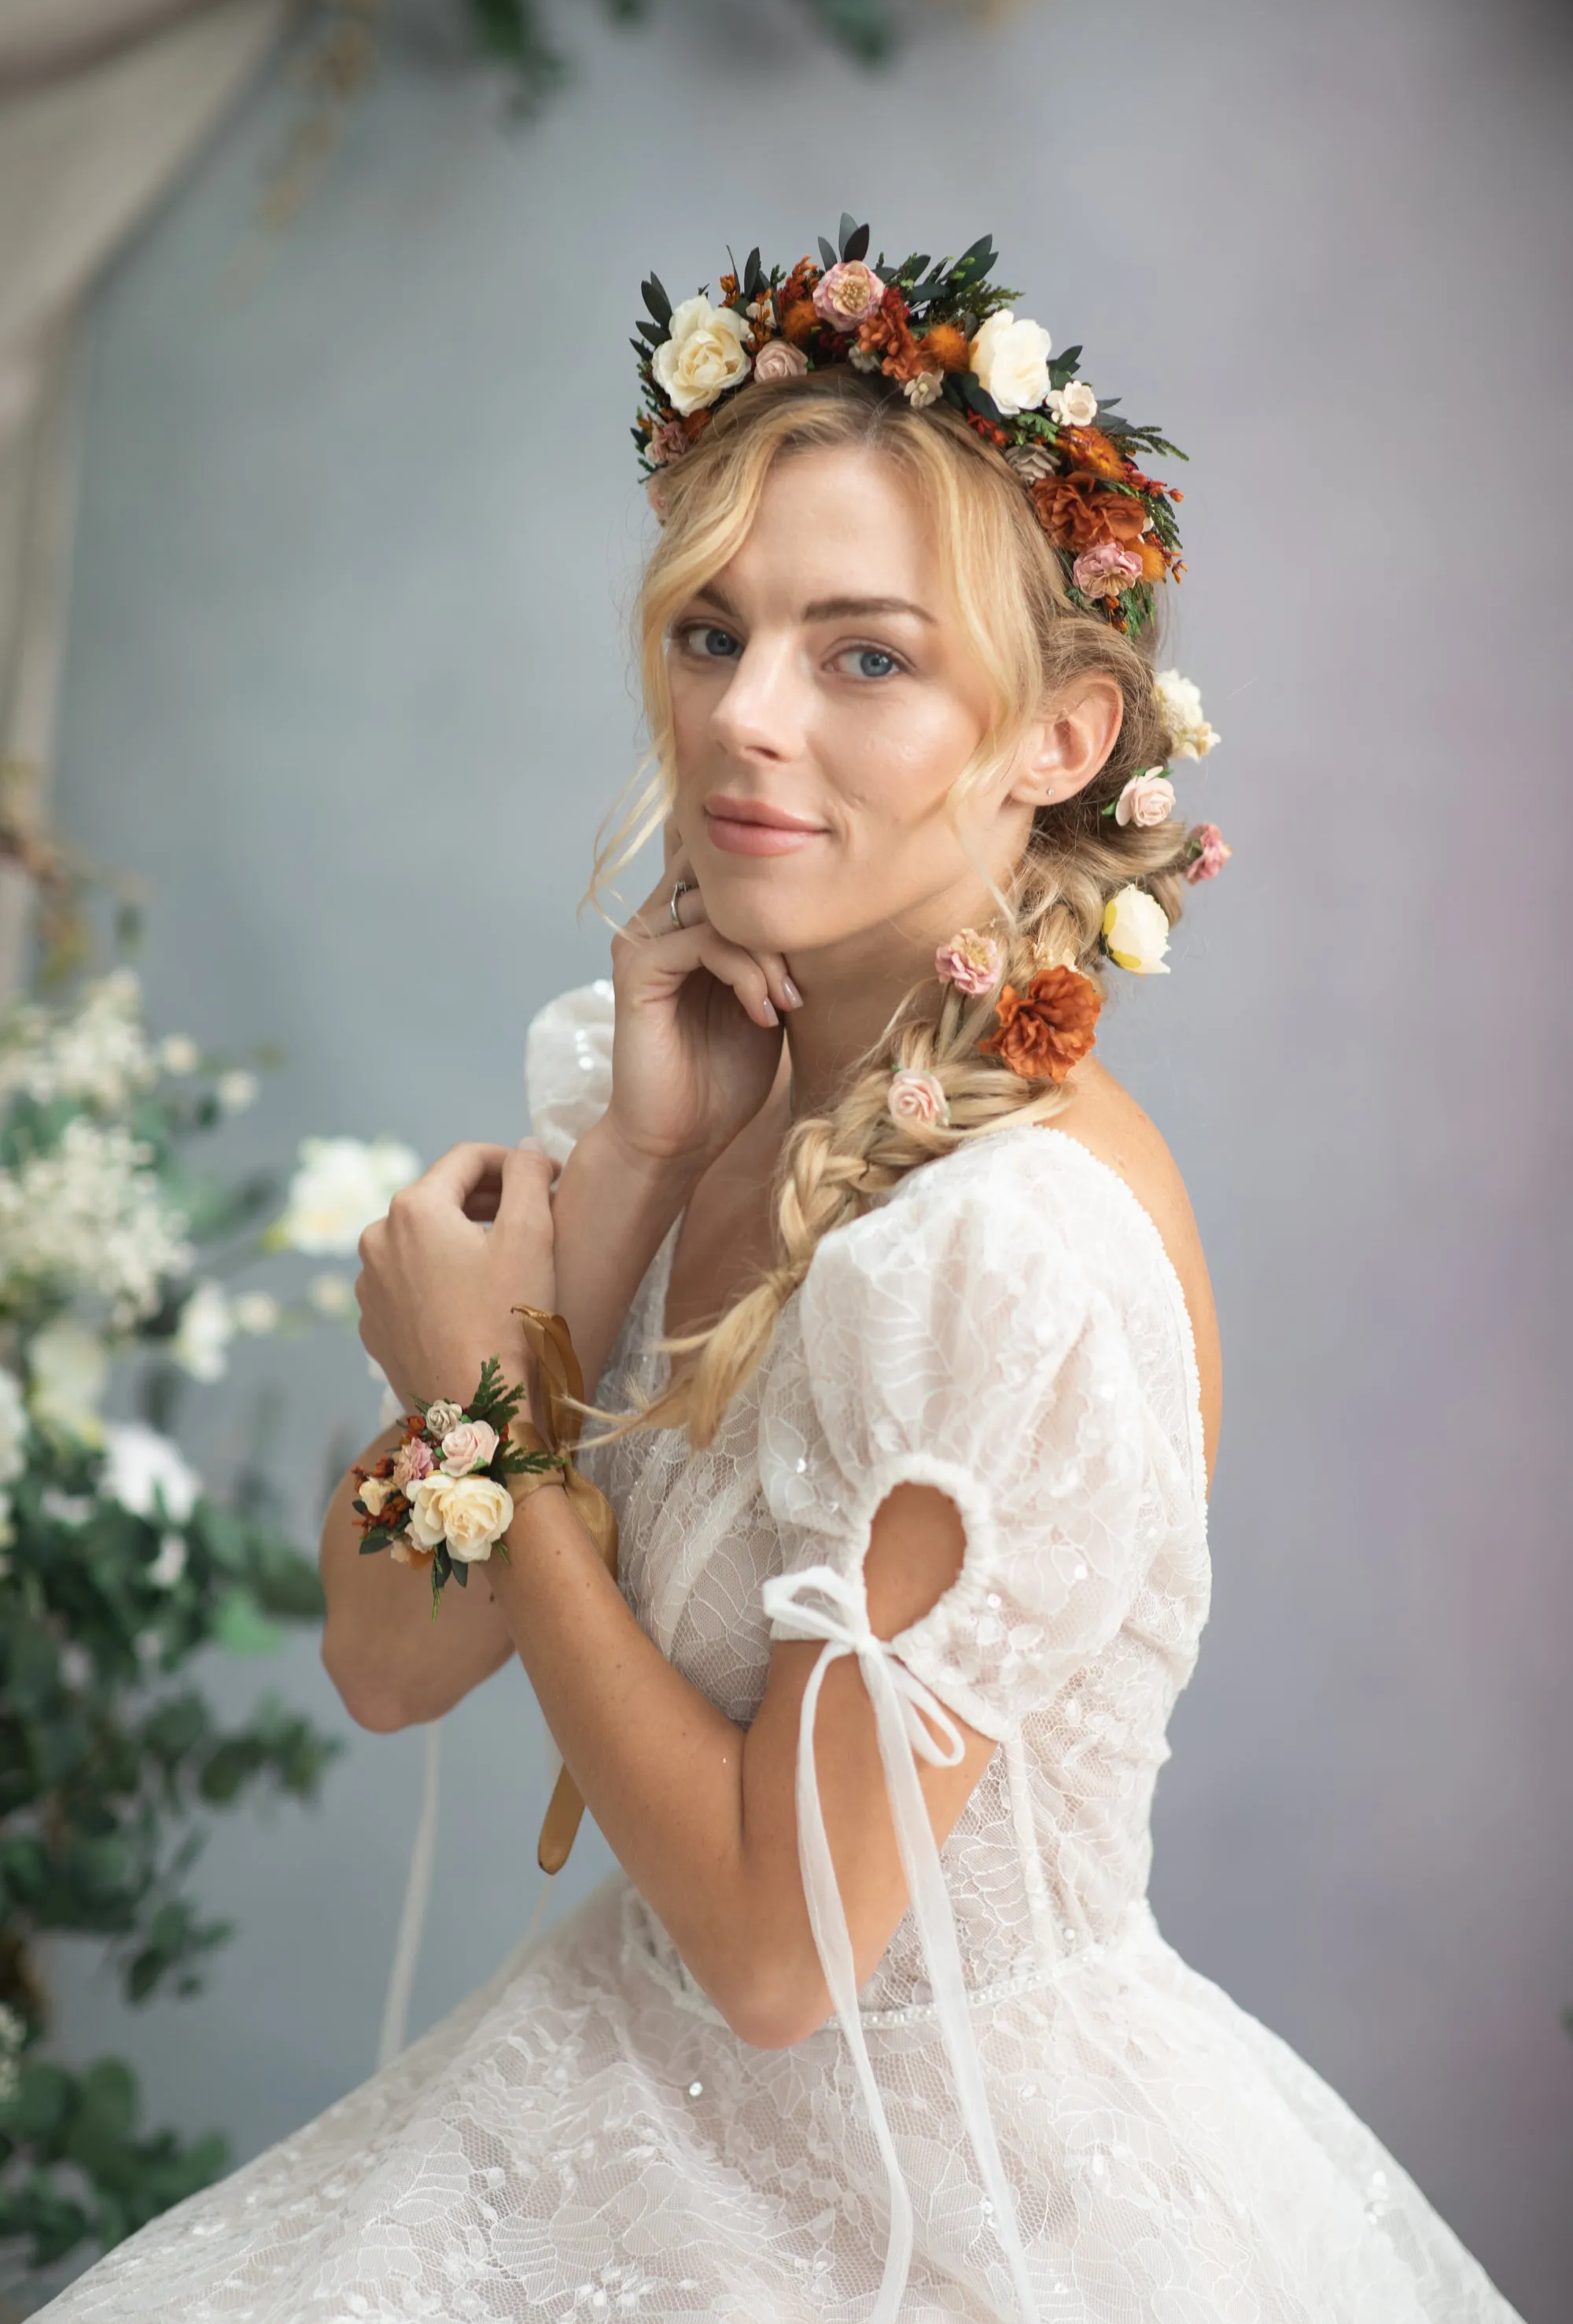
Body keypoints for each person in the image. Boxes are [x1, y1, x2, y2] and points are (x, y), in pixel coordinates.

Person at [37, 230, 1523, 2323]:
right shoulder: (670, 1089)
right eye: (711, 630)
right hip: (621, 2097)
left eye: (863, 656)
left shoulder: (1008, 1248)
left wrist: (498, 1418)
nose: (743, 717)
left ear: (1060, 736)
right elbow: (382, 1660)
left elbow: (770, 1948)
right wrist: (634, 1177)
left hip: (942, 2213)